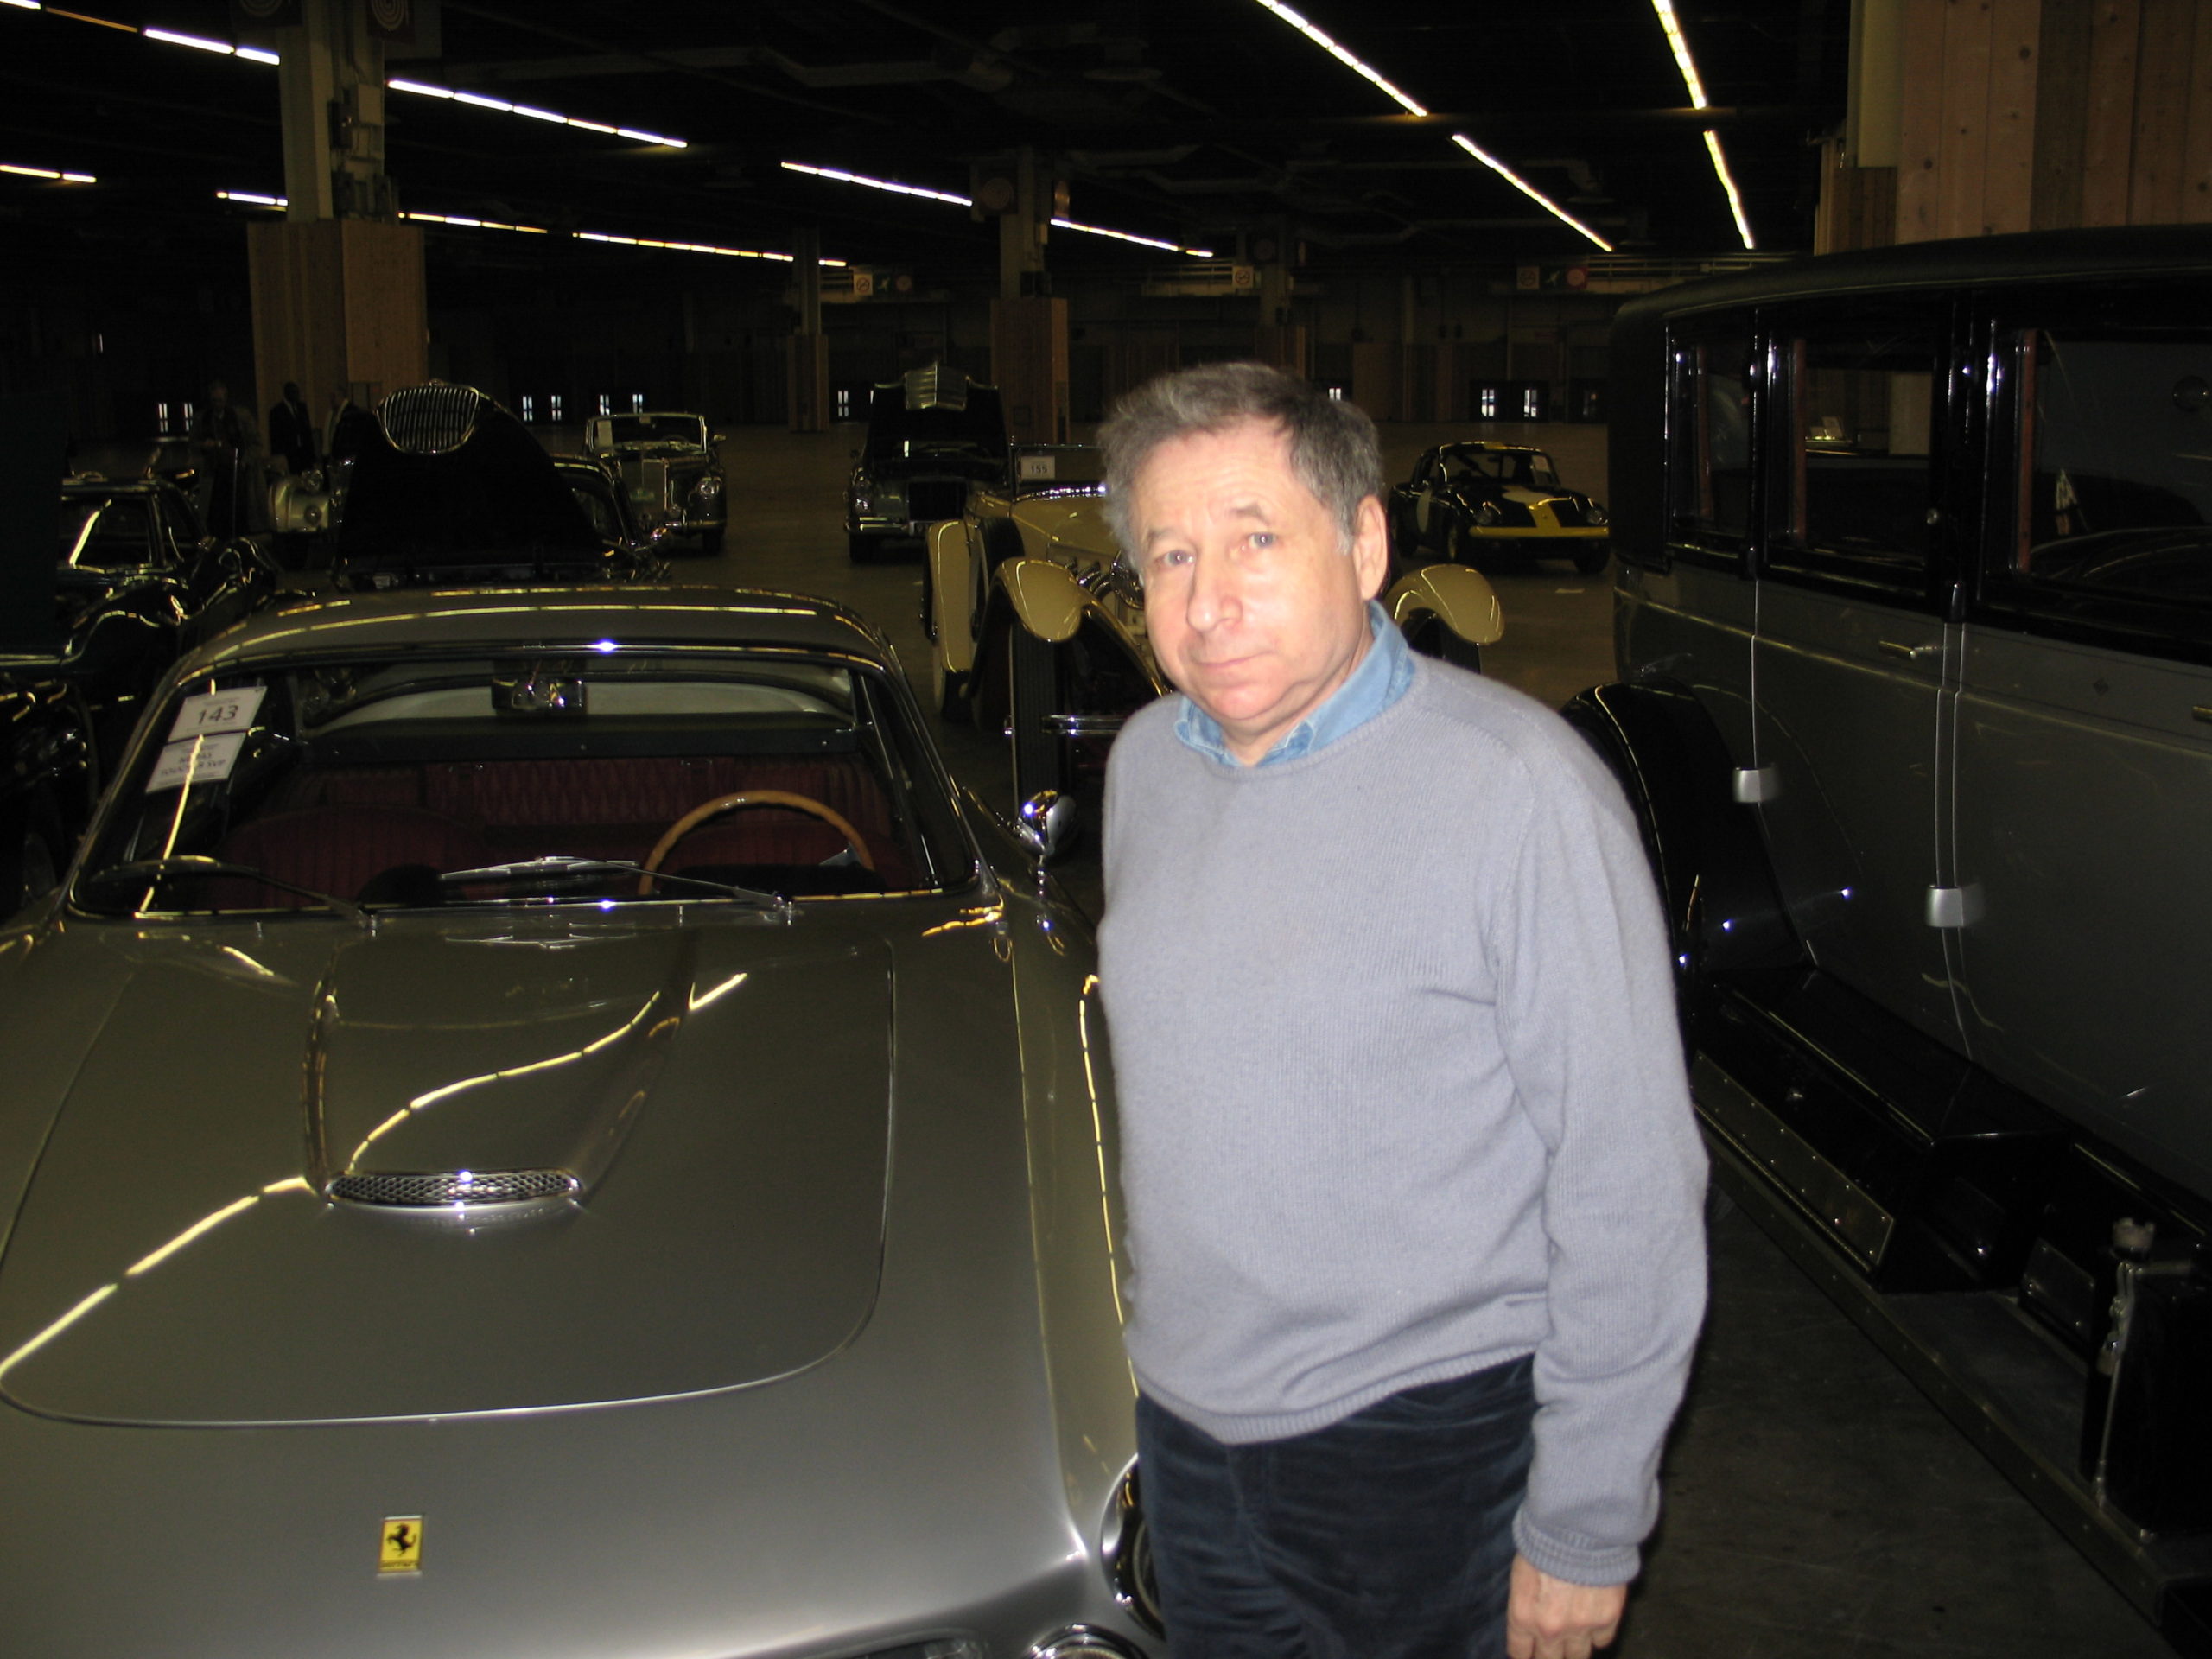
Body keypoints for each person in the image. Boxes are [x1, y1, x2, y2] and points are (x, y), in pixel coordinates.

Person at [1094, 362, 1707, 1659]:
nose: (1208, 603)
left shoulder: (1518, 791)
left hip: (1429, 1447)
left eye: (1257, 541)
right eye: (1170, 557)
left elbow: (1631, 1180)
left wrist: (1585, 1520)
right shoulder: (1146, 767)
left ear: (1365, 544)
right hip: (1191, 1433)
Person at [189, 378, 263, 537]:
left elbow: (256, 443)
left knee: (239, 513)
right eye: (214, 401)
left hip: (238, 473)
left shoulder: (240, 417)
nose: (217, 404)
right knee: (216, 516)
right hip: (214, 474)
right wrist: (204, 445)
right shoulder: (202, 419)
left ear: (226, 399)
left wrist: (245, 462)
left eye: (220, 400)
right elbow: (192, 443)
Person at [267, 380, 317, 477]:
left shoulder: (302, 408)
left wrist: (312, 455)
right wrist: (279, 457)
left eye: (297, 392)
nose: (296, 395)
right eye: (293, 392)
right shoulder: (277, 412)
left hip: (304, 453)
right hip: (288, 454)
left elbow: (307, 432)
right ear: (286, 393)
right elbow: (275, 437)